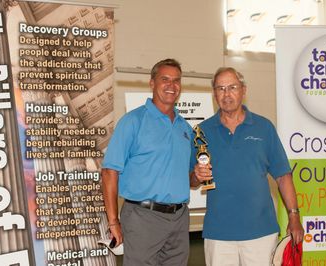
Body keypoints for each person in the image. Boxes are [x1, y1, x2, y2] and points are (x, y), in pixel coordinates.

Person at [190, 67, 304, 266]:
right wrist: (196, 176)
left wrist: (294, 216)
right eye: (221, 88)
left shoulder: (264, 127)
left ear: (244, 90)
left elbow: (283, 176)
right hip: (219, 234)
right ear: (214, 93)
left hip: (261, 232)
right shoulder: (202, 131)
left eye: (232, 87)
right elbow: (191, 181)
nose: (227, 94)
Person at [102, 58, 192, 266]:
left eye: (177, 80)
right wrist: (113, 221)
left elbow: (190, 178)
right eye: (165, 79)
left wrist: (198, 174)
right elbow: (109, 172)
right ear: (152, 83)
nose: (172, 85)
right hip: (143, 217)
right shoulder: (133, 121)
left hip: (179, 218)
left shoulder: (185, 129)